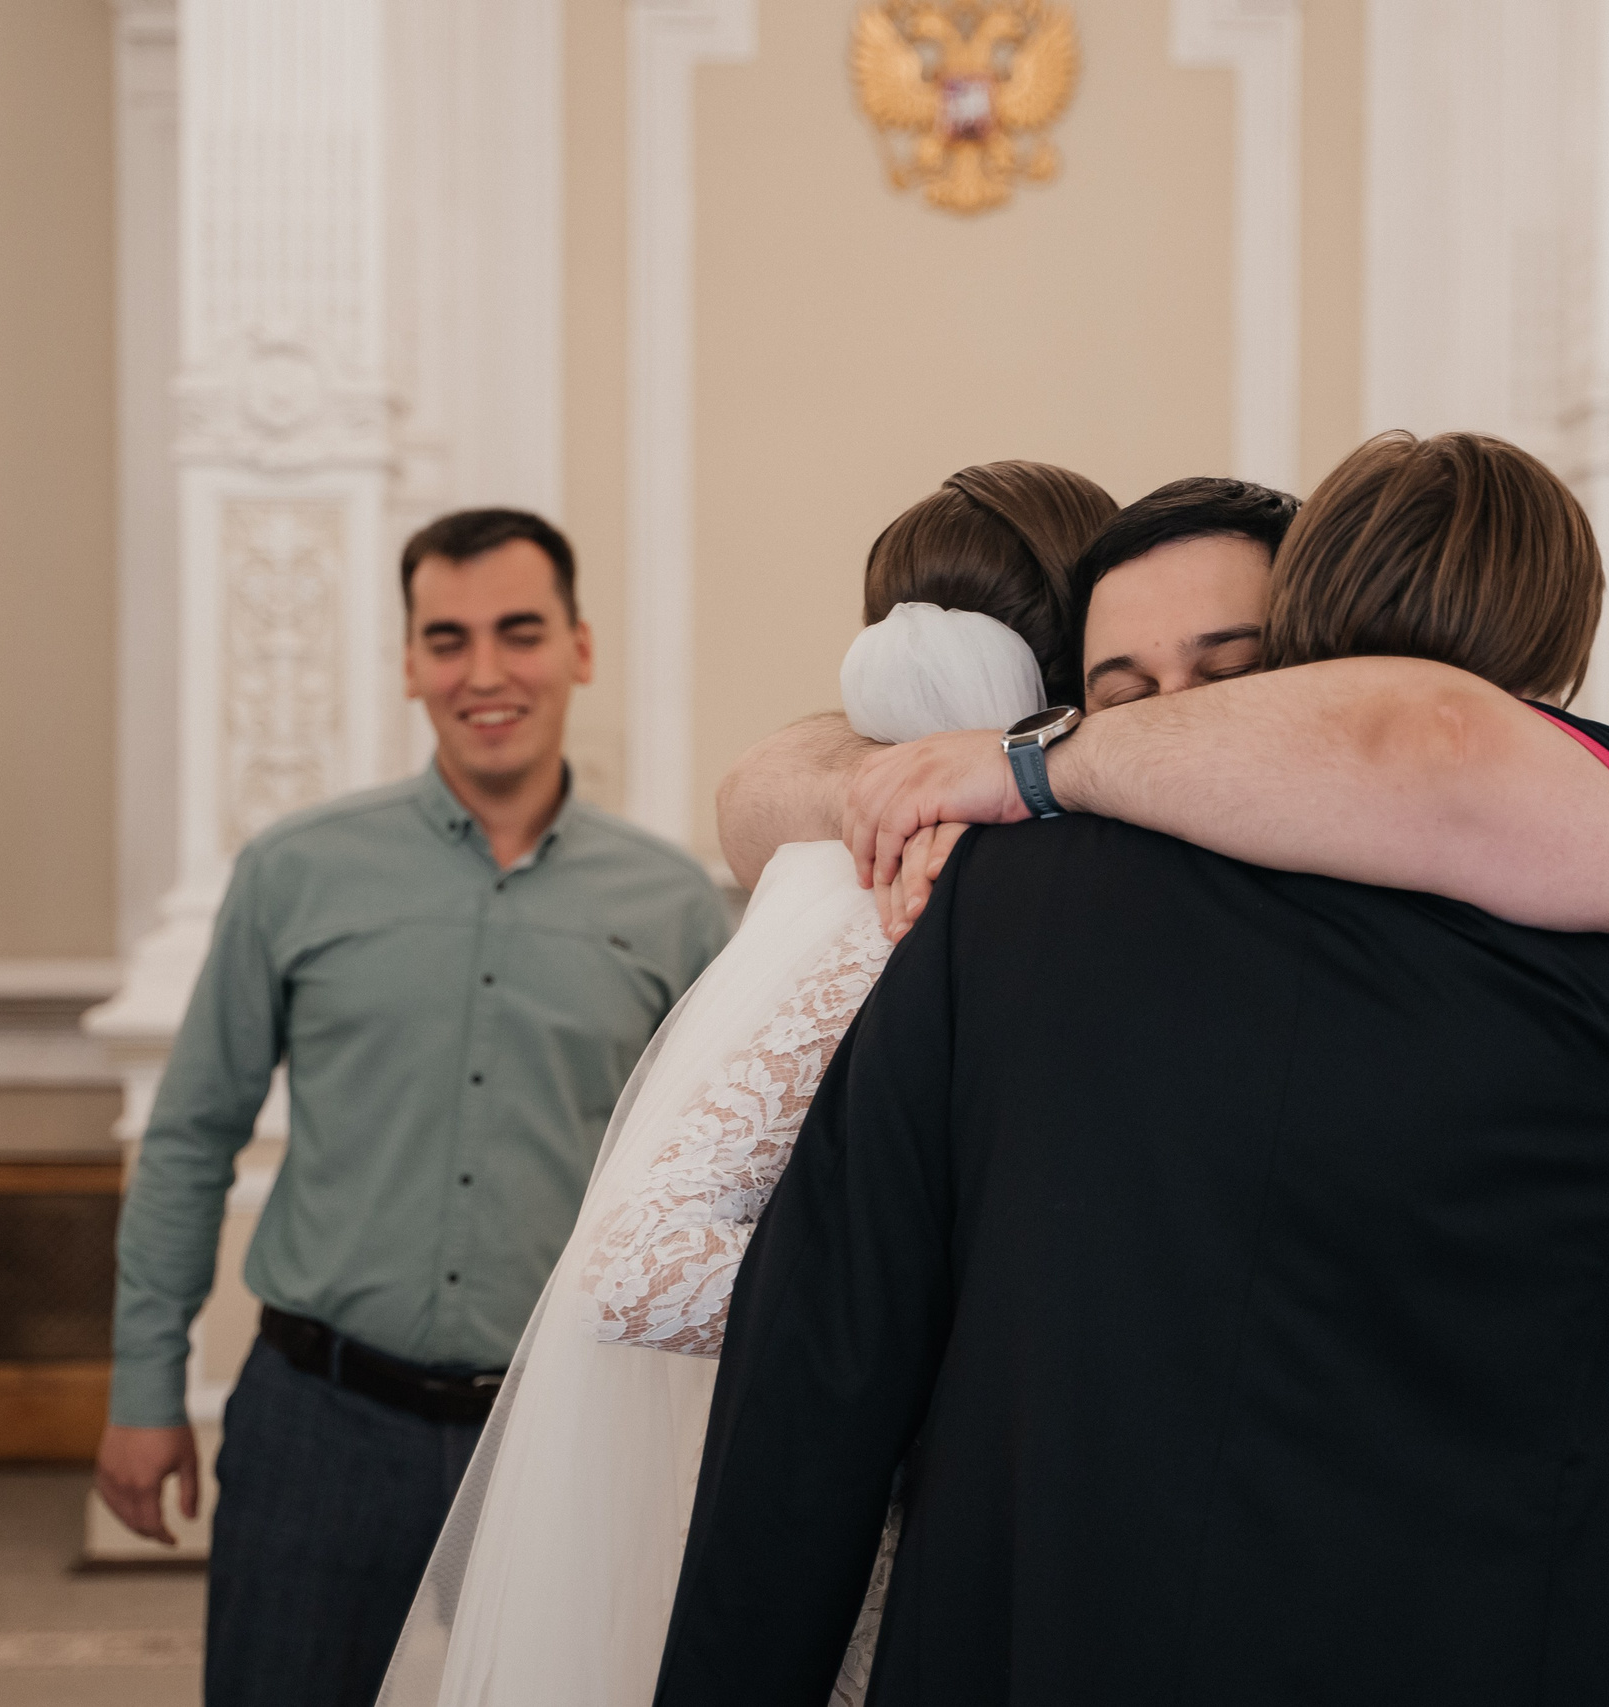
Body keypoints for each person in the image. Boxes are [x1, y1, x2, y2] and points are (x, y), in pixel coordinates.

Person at [652, 456, 1609, 1705]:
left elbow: (815, 1368)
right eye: (1123, 691)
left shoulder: (1575, 880)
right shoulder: (996, 904)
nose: (1167, 721)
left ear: (1316, 668)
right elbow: (827, 1329)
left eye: (1231, 677)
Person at [376, 462, 1118, 1707]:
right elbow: (636, 1265)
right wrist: (951, 1315)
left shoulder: (1058, 880)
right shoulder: (875, 900)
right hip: (896, 1532)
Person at [96, 509, 731, 1707]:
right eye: (446, 639)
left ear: (581, 648)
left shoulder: (673, 906)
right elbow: (188, 1139)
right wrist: (143, 1392)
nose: (483, 673)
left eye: (519, 633)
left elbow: (711, 1185)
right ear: (406, 663)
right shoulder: (294, 872)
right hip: (323, 1424)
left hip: (566, 1433)